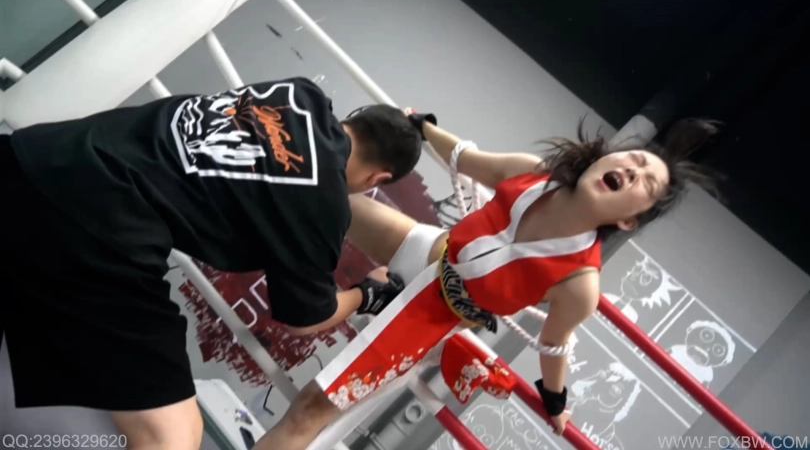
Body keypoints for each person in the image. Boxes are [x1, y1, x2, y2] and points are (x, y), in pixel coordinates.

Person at [0, 77, 423, 449]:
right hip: (95, 229)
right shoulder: (325, 206)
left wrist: (404, 127)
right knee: (173, 437)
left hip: (36, 155)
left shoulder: (298, 92)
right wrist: (367, 293)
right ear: (378, 180)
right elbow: (305, 318)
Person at [256, 112, 718, 449]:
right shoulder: (533, 175)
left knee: (309, 410)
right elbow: (465, 158)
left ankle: (374, 297)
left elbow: (554, 345)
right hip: (429, 251)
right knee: (321, 195)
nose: (634, 170)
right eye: (634, 159)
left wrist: (555, 402)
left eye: (646, 184)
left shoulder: (579, 284)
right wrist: (423, 127)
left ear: (630, 221)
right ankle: (232, 189)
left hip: (433, 317)